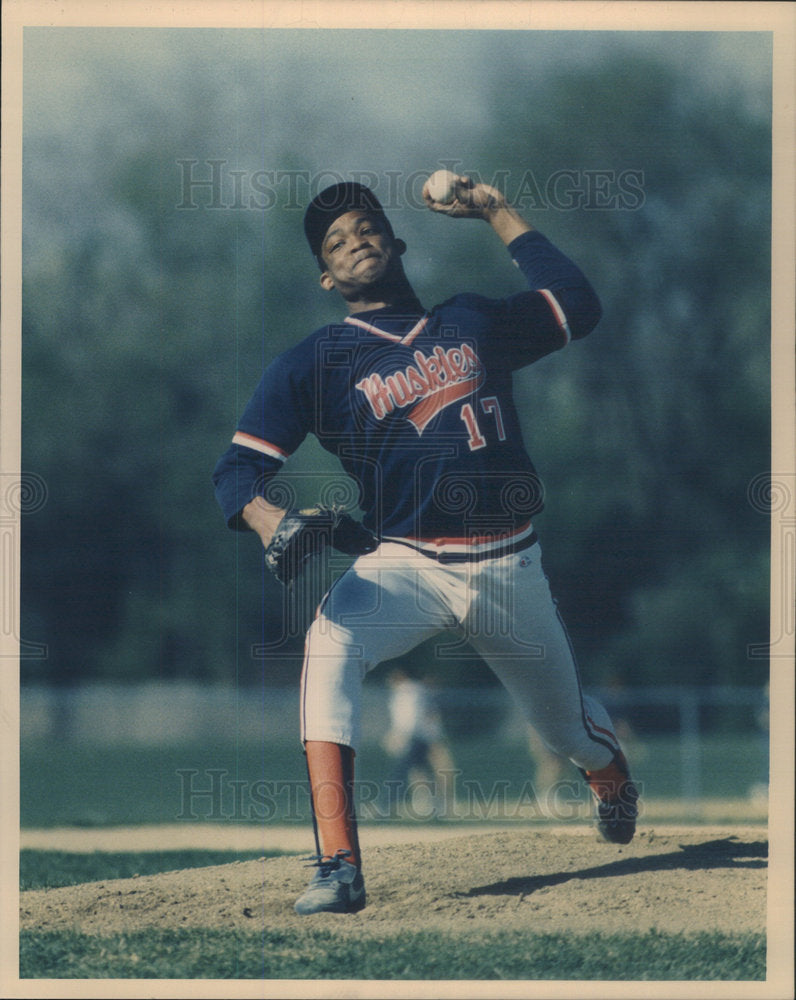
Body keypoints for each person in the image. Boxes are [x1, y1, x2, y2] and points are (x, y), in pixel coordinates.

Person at [213, 173, 639, 915]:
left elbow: (580, 306)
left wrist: (496, 211)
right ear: (325, 275)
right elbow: (236, 468)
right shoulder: (313, 364)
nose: (355, 241)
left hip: (508, 563)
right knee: (330, 647)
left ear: (397, 240)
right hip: (406, 563)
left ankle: (608, 775)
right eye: (335, 242)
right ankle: (338, 864)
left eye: (365, 226)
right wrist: (268, 520)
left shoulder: (472, 320)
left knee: (565, 729)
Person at [381, 668, 455, 817]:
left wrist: (400, 735)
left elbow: (410, 718)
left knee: (406, 772)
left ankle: (388, 805)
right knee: (420, 773)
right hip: (420, 738)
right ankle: (432, 806)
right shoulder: (413, 692)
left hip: (415, 738)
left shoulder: (408, 692)